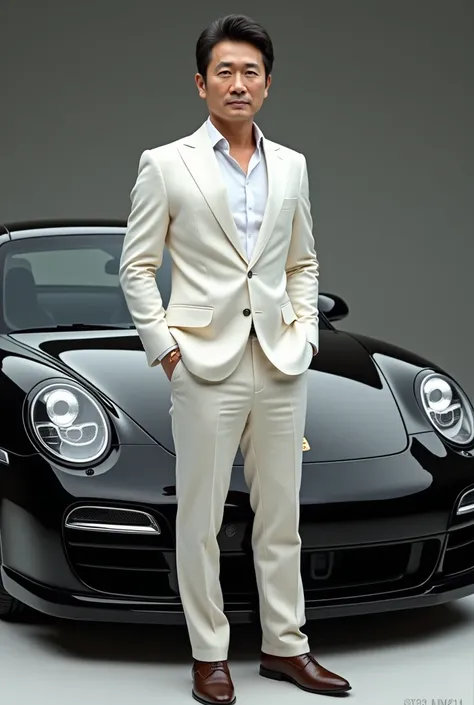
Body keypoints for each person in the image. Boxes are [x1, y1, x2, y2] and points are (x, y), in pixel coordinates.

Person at [119, 13, 351, 704]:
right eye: (225, 70)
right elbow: (136, 268)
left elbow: (303, 261)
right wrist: (167, 351)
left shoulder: (294, 167)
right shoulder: (165, 164)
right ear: (201, 83)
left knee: (281, 515)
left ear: (268, 85)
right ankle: (209, 654)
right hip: (203, 364)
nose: (238, 83)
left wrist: (305, 335)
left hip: (280, 361)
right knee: (202, 518)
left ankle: (287, 646)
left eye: (251, 71)